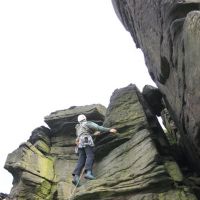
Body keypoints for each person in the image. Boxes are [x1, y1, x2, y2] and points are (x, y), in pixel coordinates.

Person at [72, 114, 117, 186]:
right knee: (90, 155)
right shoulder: (88, 123)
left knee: (81, 159)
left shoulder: (78, 127)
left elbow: (82, 134)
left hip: (80, 143)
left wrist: (93, 135)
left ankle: (76, 177)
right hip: (86, 140)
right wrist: (109, 130)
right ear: (85, 118)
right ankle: (88, 173)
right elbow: (98, 127)